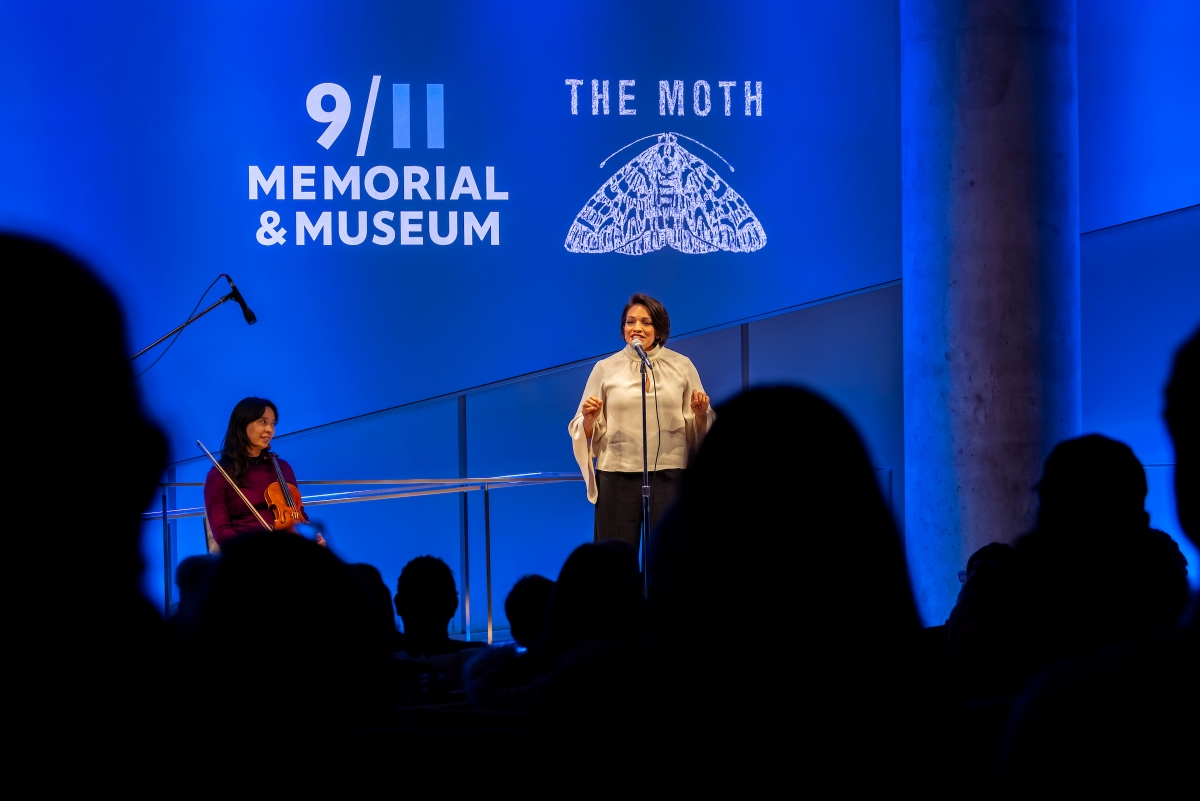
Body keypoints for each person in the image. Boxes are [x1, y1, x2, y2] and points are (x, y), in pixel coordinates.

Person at [568, 293, 713, 548]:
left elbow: (699, 427)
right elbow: (583, 426)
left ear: (658, 329)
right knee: (615, 561)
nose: (636, 328)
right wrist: (589, 421)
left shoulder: (682, 365)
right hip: (617, 477)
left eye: (645, 322)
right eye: (630, 322)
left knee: (669, 556)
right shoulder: (605, 368)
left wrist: (700, 414)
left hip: (669, 475)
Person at [203, 396, 323, 546]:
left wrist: (313, 538)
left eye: (273, 424)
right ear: (242, 424)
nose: (270, 429)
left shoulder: (283, 467)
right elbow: (222, 532)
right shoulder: (219, 475)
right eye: (263, 422)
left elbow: (299, 515)